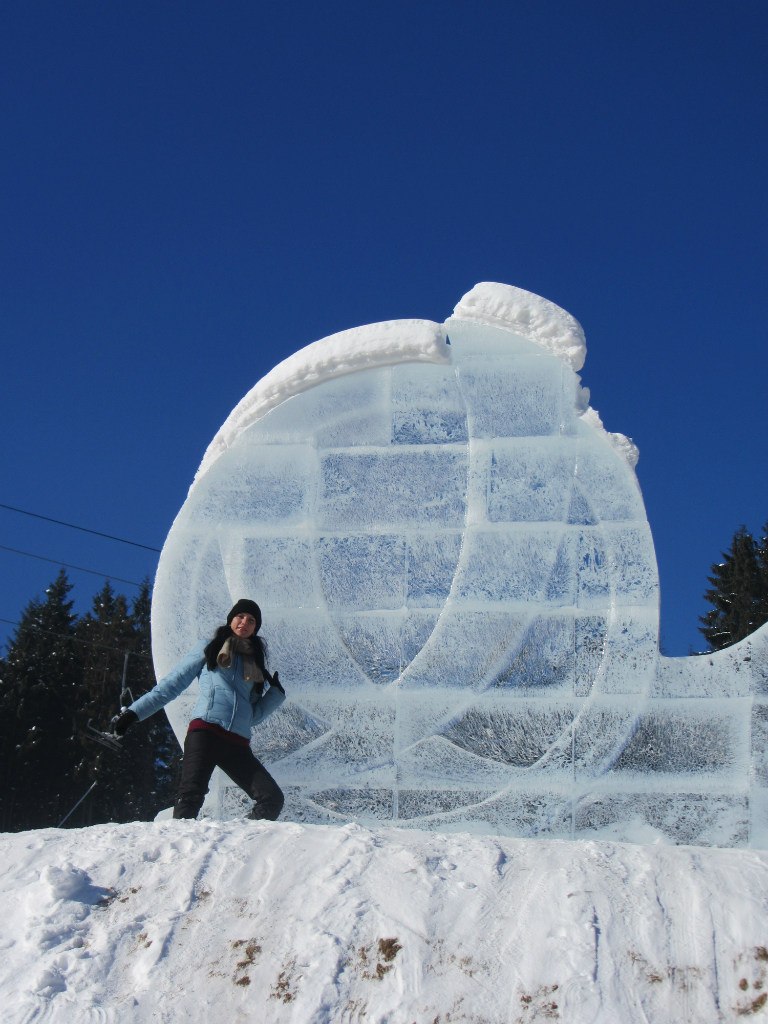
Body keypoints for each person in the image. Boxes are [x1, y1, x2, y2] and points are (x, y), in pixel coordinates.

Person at [111, 599, 286, 821]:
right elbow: (172, 684)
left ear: (255, 628)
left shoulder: (254, 666)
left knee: (272, 798)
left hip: (237, 744)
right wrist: (133, 713)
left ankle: (236, 838)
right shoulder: (209, 648)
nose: (245, 622)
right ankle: (178, 843)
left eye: (251, 620)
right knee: (190, 797)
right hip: (205, 732)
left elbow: (251, 716)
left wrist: (275, 695)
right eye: (240, 616)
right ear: (231, 620)